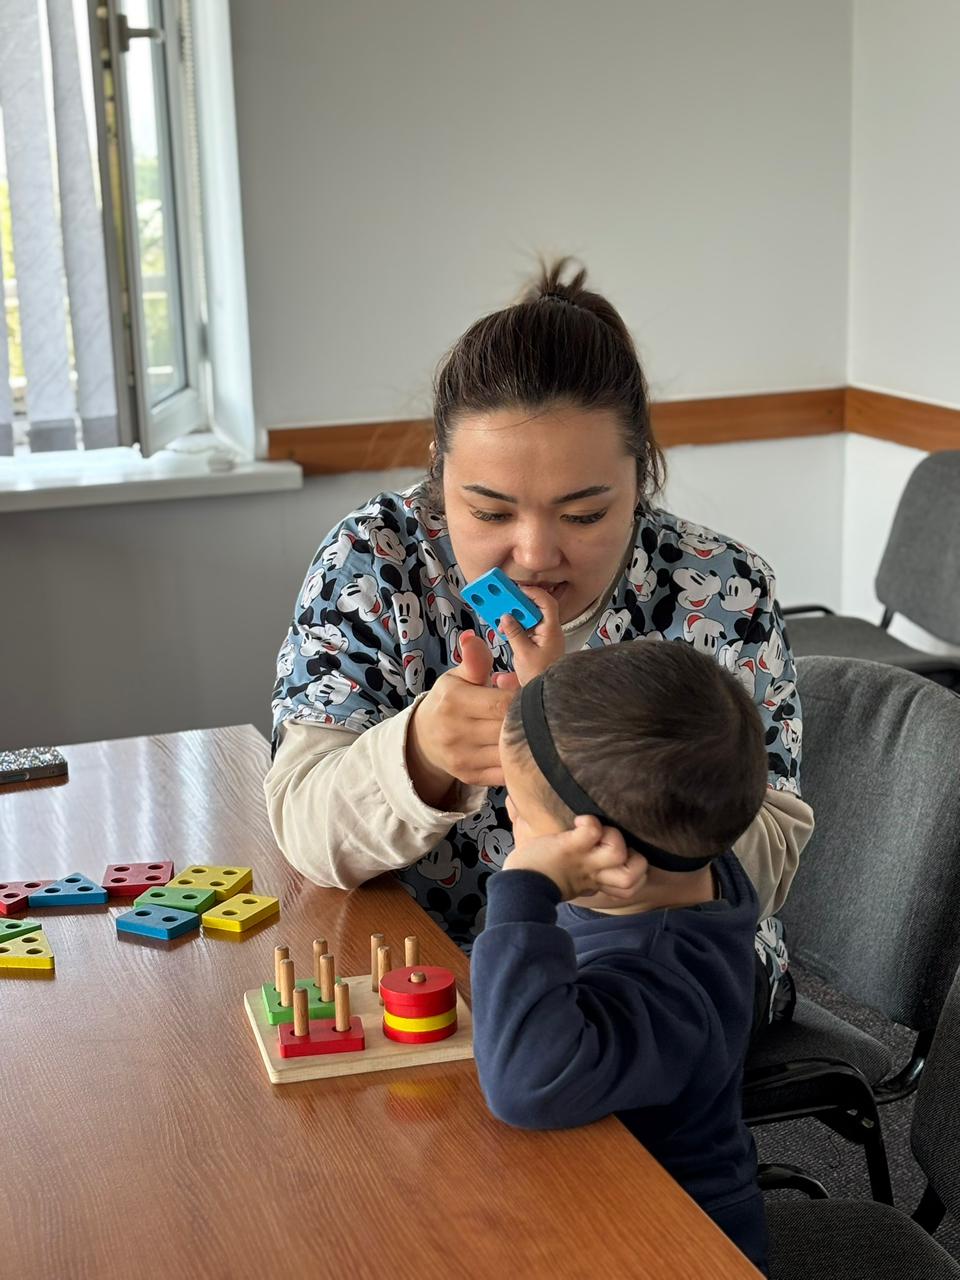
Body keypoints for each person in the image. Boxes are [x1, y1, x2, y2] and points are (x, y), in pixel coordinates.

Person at [265, 259, 814, 1030]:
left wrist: (578, 760)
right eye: (488, 512)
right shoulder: (375, 563)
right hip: (429, 969)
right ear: (439, 471)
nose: (534, 555)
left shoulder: (718, 588)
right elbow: (305, 830)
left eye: (585, 515)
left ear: (641, 477)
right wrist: (421, 752)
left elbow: (768, 856)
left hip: (663, 975)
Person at [470, 638, 770, 1274]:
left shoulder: (663, 979)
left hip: (668, 1243)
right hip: (602, 1197)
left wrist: (525, 887)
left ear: (598, 850)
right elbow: (649, 771)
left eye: (516, 811)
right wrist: (550, 706)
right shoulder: (696, 851)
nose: (507, 814)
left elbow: (525, 1086)